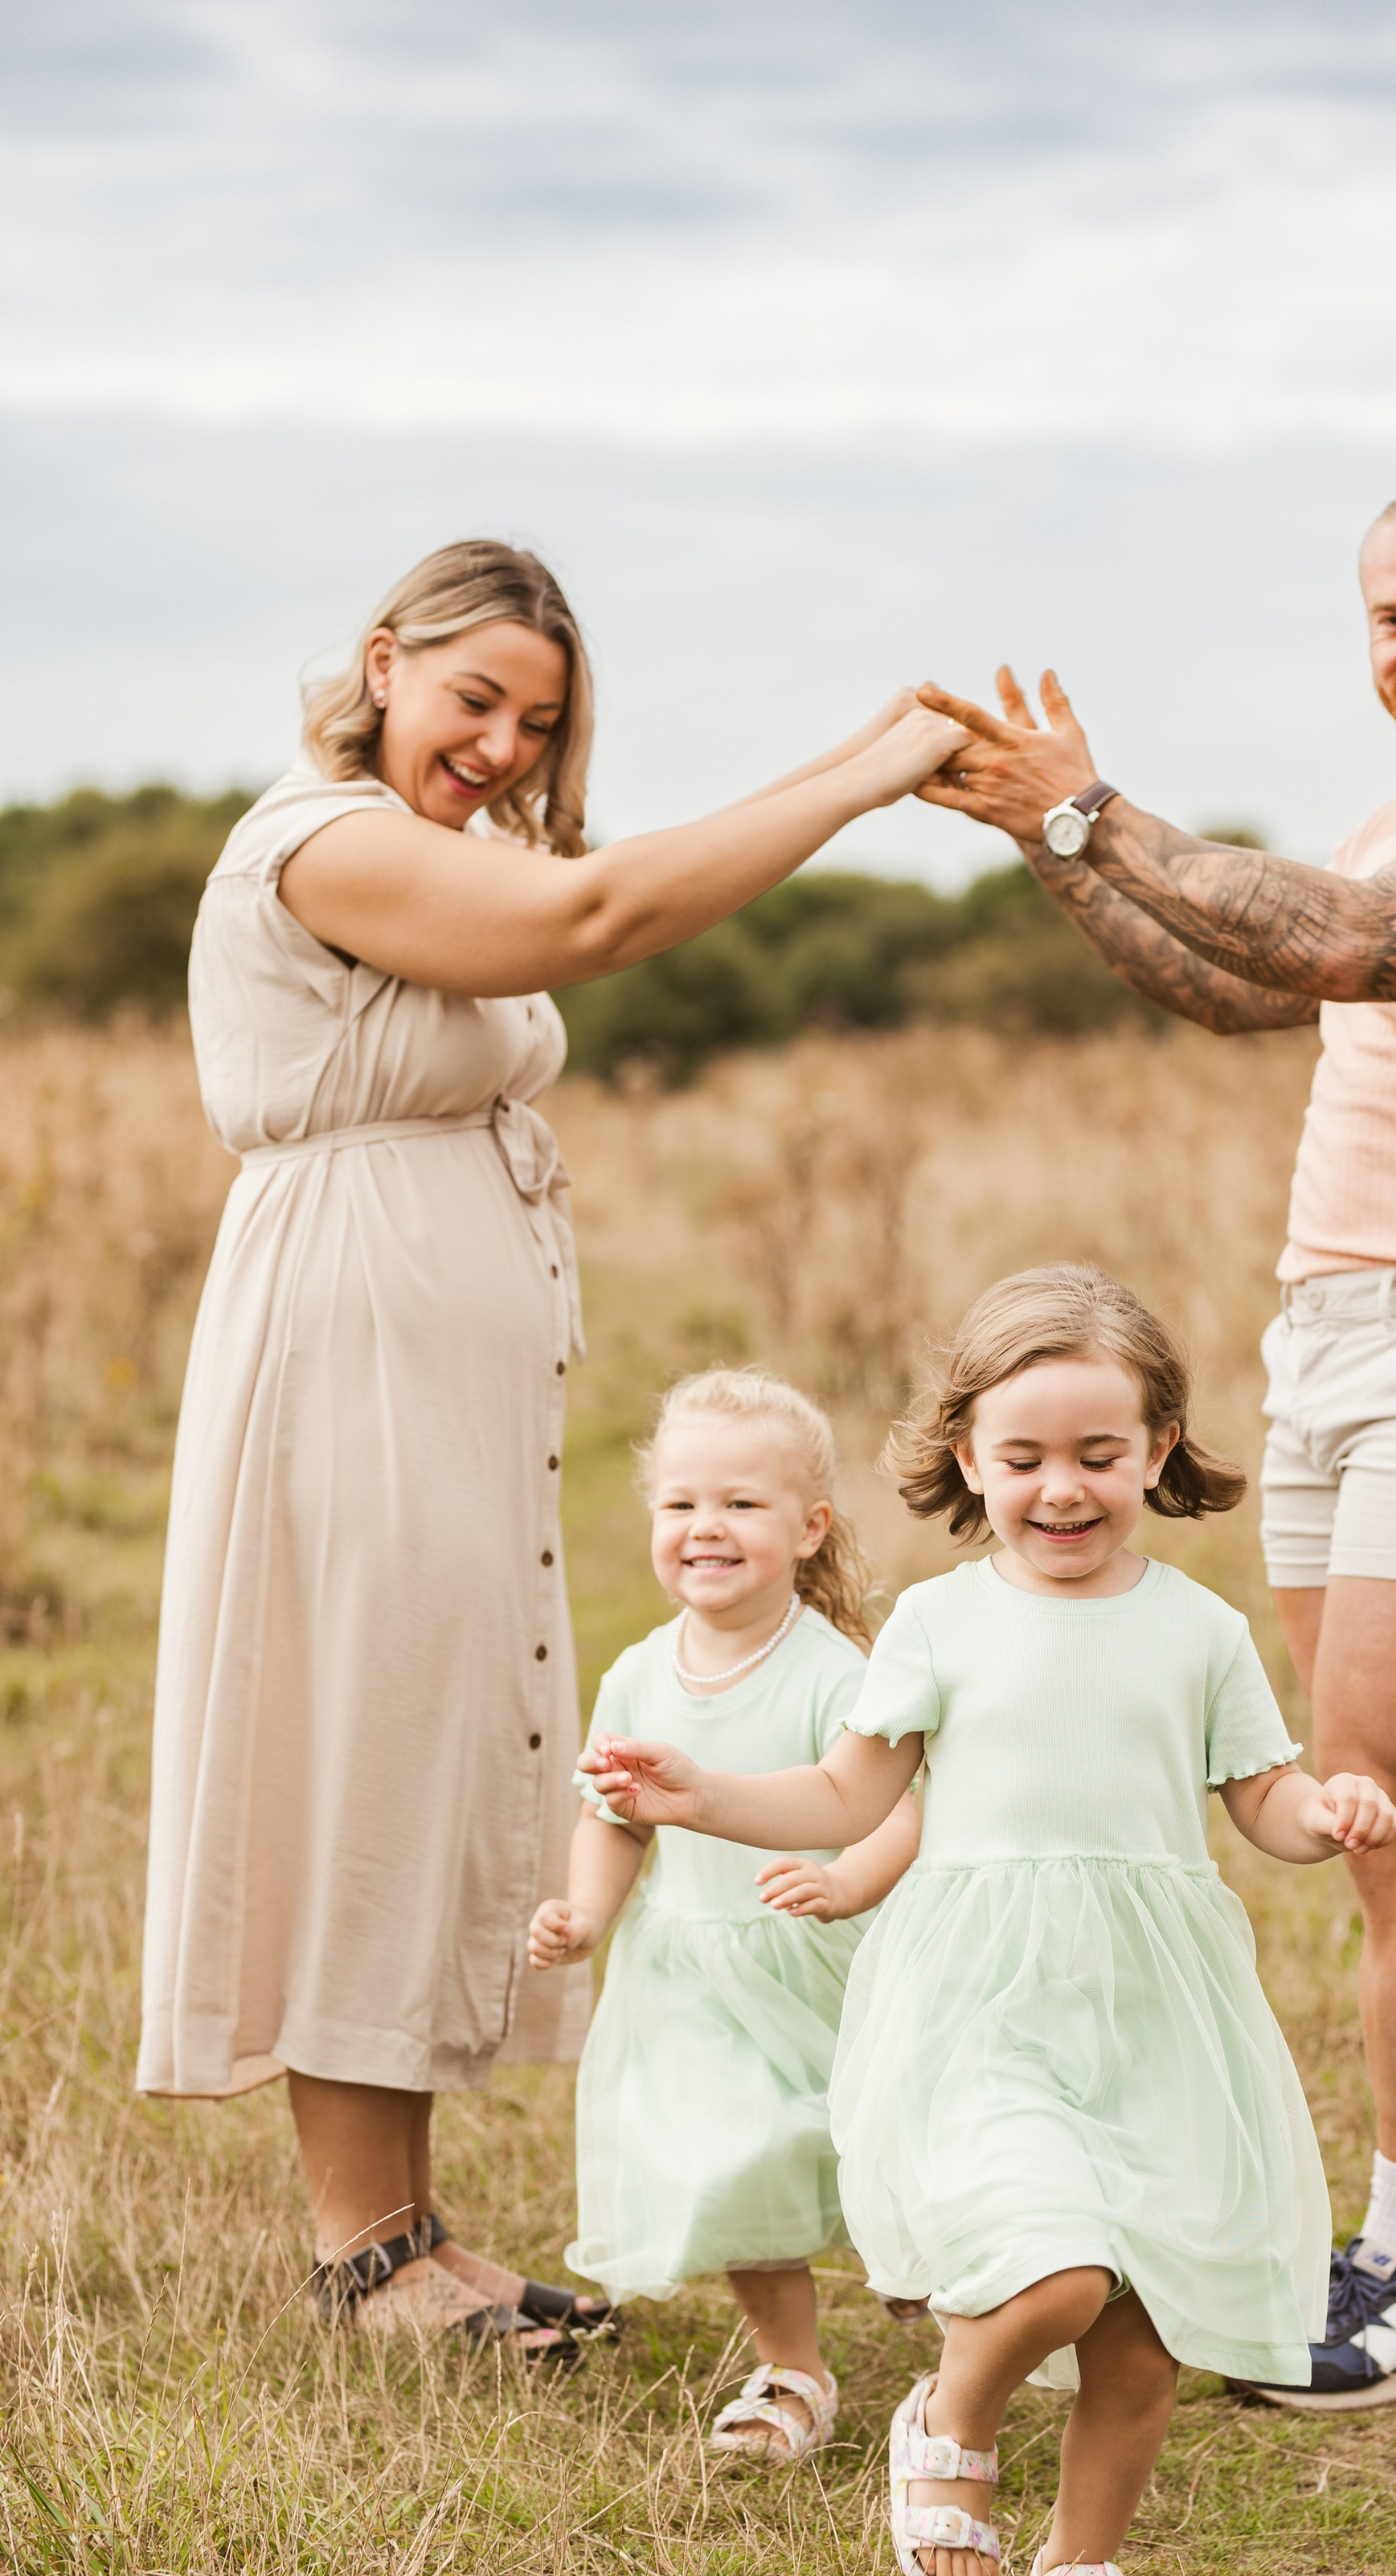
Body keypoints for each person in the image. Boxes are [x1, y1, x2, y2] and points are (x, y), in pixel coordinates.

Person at [139, 537, 966, 2355]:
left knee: (431, 1750)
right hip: (346, 1346)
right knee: (370, 1742)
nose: (505, 744)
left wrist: (854, 748)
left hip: (432, 1364)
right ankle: (371, 2260)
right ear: (381, 664)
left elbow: (583, 891)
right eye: (474, 699)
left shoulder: (452, 854)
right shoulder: (323, 840)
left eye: (541, 718)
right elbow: (604, 923)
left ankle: (413, 2235)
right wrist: (864, 775)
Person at [915, 472, 1396, 2406]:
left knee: (1383, 1811)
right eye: (1387, 622)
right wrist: (1048, 842)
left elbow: (1338, 940)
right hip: (1343, 1336)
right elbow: (1233, 980)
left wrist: (1095, 806)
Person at [583, 1266, 1396, 2576]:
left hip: (1153, 2003)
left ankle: (1082, 2575)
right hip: (983, 1995)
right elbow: (848, 1796)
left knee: (1146, 2318)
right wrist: (699, 1792)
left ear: (1157, 1448)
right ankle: (949, 2415)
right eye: (1023, 1460)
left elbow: (1259, 1799)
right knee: (1058, 2269)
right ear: (968, 1458)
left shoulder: (1198, 1632)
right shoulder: (941, 1625)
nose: (1063, 1490)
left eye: (1099, 1455)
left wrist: (1326, 1816)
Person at [527, 1368, 919, 2457]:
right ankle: (792, 2372)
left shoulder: (832, 1672)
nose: (708, 1526)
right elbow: (615, 1818)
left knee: (870, 2148)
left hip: (825, 1959)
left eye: (742, 1504)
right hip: (693, 1976)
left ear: (809, 1528)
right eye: (681, 1504)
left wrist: (847, 1881)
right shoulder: (640, 1674)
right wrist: (588, 1914)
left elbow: (902, 1812)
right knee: (738, 2155)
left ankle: (921, 2277)